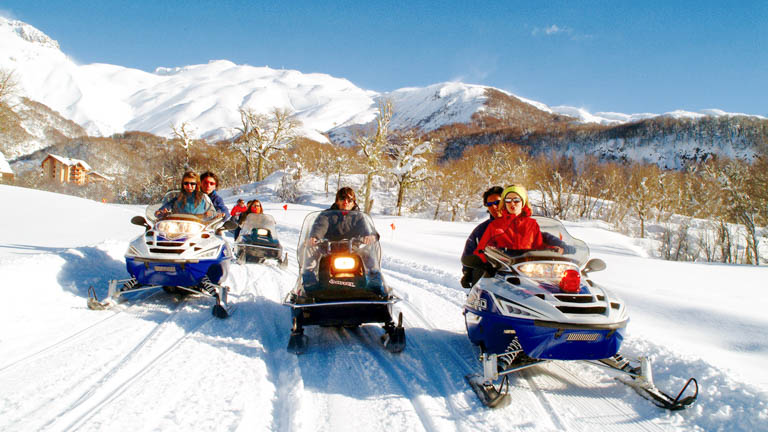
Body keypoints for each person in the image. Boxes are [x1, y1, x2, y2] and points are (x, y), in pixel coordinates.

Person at [302, 187, 381, 290]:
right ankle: (309, 281)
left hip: (353, 250)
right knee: (308, 248)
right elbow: (320, 226)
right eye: (342, 198)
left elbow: (366, 228)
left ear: (354, 203)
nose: (346, 202)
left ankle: (374, 281)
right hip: (328, 250)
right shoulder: (326, 215)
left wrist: (370, 236)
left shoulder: (359, 217)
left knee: (373, 247)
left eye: (350, 200)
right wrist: (314, 237)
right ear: (337, 201)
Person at [471, 184, 564, 266]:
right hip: (503, 271)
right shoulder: (495, 225)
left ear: (523, 202)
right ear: (504, 203)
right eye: (508, 200)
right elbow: (481, 251)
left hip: (527, 269)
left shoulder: (532, 224)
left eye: (516, 200)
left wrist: (552, 250)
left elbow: (538, 247)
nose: (512, 203)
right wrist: (488, 264)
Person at [460, 186, 504, 288]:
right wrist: (467, 273)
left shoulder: (520, 225)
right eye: (489, 204)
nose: (494, 207)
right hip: (487, 280)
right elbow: (469, 252)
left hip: (516, 279)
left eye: (497, 202)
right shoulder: (481, 230)